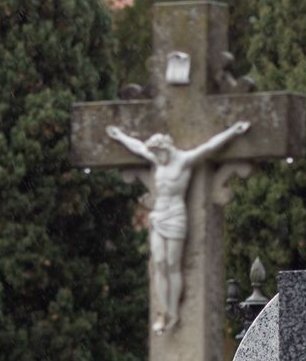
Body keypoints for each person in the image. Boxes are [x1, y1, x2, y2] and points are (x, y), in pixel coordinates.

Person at [105, 120, 250, 333]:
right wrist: (119, 136)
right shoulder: (157, 159)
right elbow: (137, 147)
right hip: (158, 215)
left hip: (176, 216)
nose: (157, 159)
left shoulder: (183, 161)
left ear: (167, 149)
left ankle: (173, 312)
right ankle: (165, 310)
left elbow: (209, 147)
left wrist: (232, 132)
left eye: (159, 154)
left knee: (173, 263)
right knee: (160, 263)